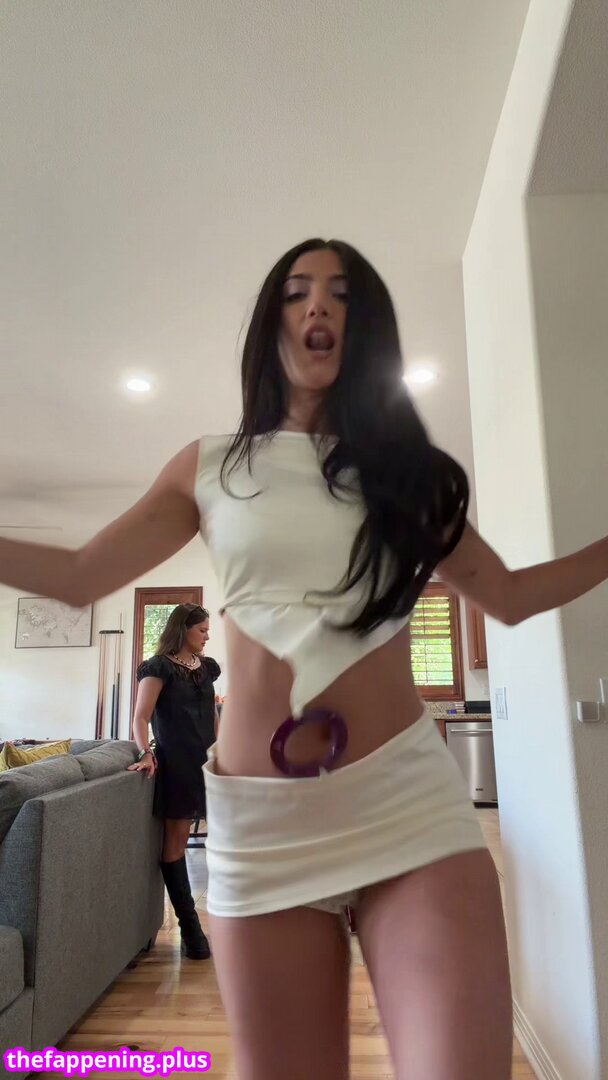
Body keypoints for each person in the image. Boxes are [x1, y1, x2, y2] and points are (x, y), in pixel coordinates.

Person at [1, 238, 607, 1079]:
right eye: (296, 291)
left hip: (408, 805)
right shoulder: (212, 465)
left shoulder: (412, 479)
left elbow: (507, 595)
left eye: (341, 293)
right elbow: (78, 575)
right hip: (264, 828)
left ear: (367, 330)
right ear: (274, 324)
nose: (318, 304)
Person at [128, 603, 220, 960]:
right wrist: (145, 753)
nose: (207, 636)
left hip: (207, 763)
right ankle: (190, 928)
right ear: (183, 630)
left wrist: (220, 752)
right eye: (202, 630)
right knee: (175, 845)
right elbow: (141, 716)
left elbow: (212, 715)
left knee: (227, 836)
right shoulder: (158, 667)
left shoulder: (206, 668)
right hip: (177, 765)